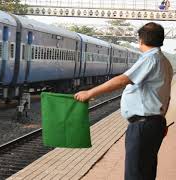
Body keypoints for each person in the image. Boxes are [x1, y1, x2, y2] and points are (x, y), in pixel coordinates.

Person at [74, 22, 173, 180]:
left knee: (135, 174)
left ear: (140, 40)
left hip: (143, 125)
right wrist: (161, 119)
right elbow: (167, 97)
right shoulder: (165, 62)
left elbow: (122, 80)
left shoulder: (150, 59)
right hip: (154, 123)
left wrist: (90, 92)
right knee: (146, 171)